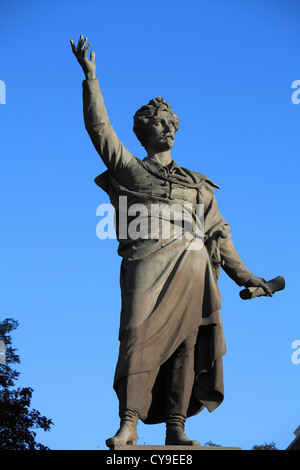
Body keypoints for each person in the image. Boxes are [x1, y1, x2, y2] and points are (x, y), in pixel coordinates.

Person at [70, 35, 272, 448]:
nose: (169, 127)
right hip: (147, 262)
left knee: (186, 344)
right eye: (160, 122)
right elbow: (99, 129)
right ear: (143, 130)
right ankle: (128, 424)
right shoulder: (130, 170)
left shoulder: (198, 185)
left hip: (195, 266)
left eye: (172, 122)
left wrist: (247, 277)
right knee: (136, 335)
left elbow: (220, 234)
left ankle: (176, 428)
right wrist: (91, 79)